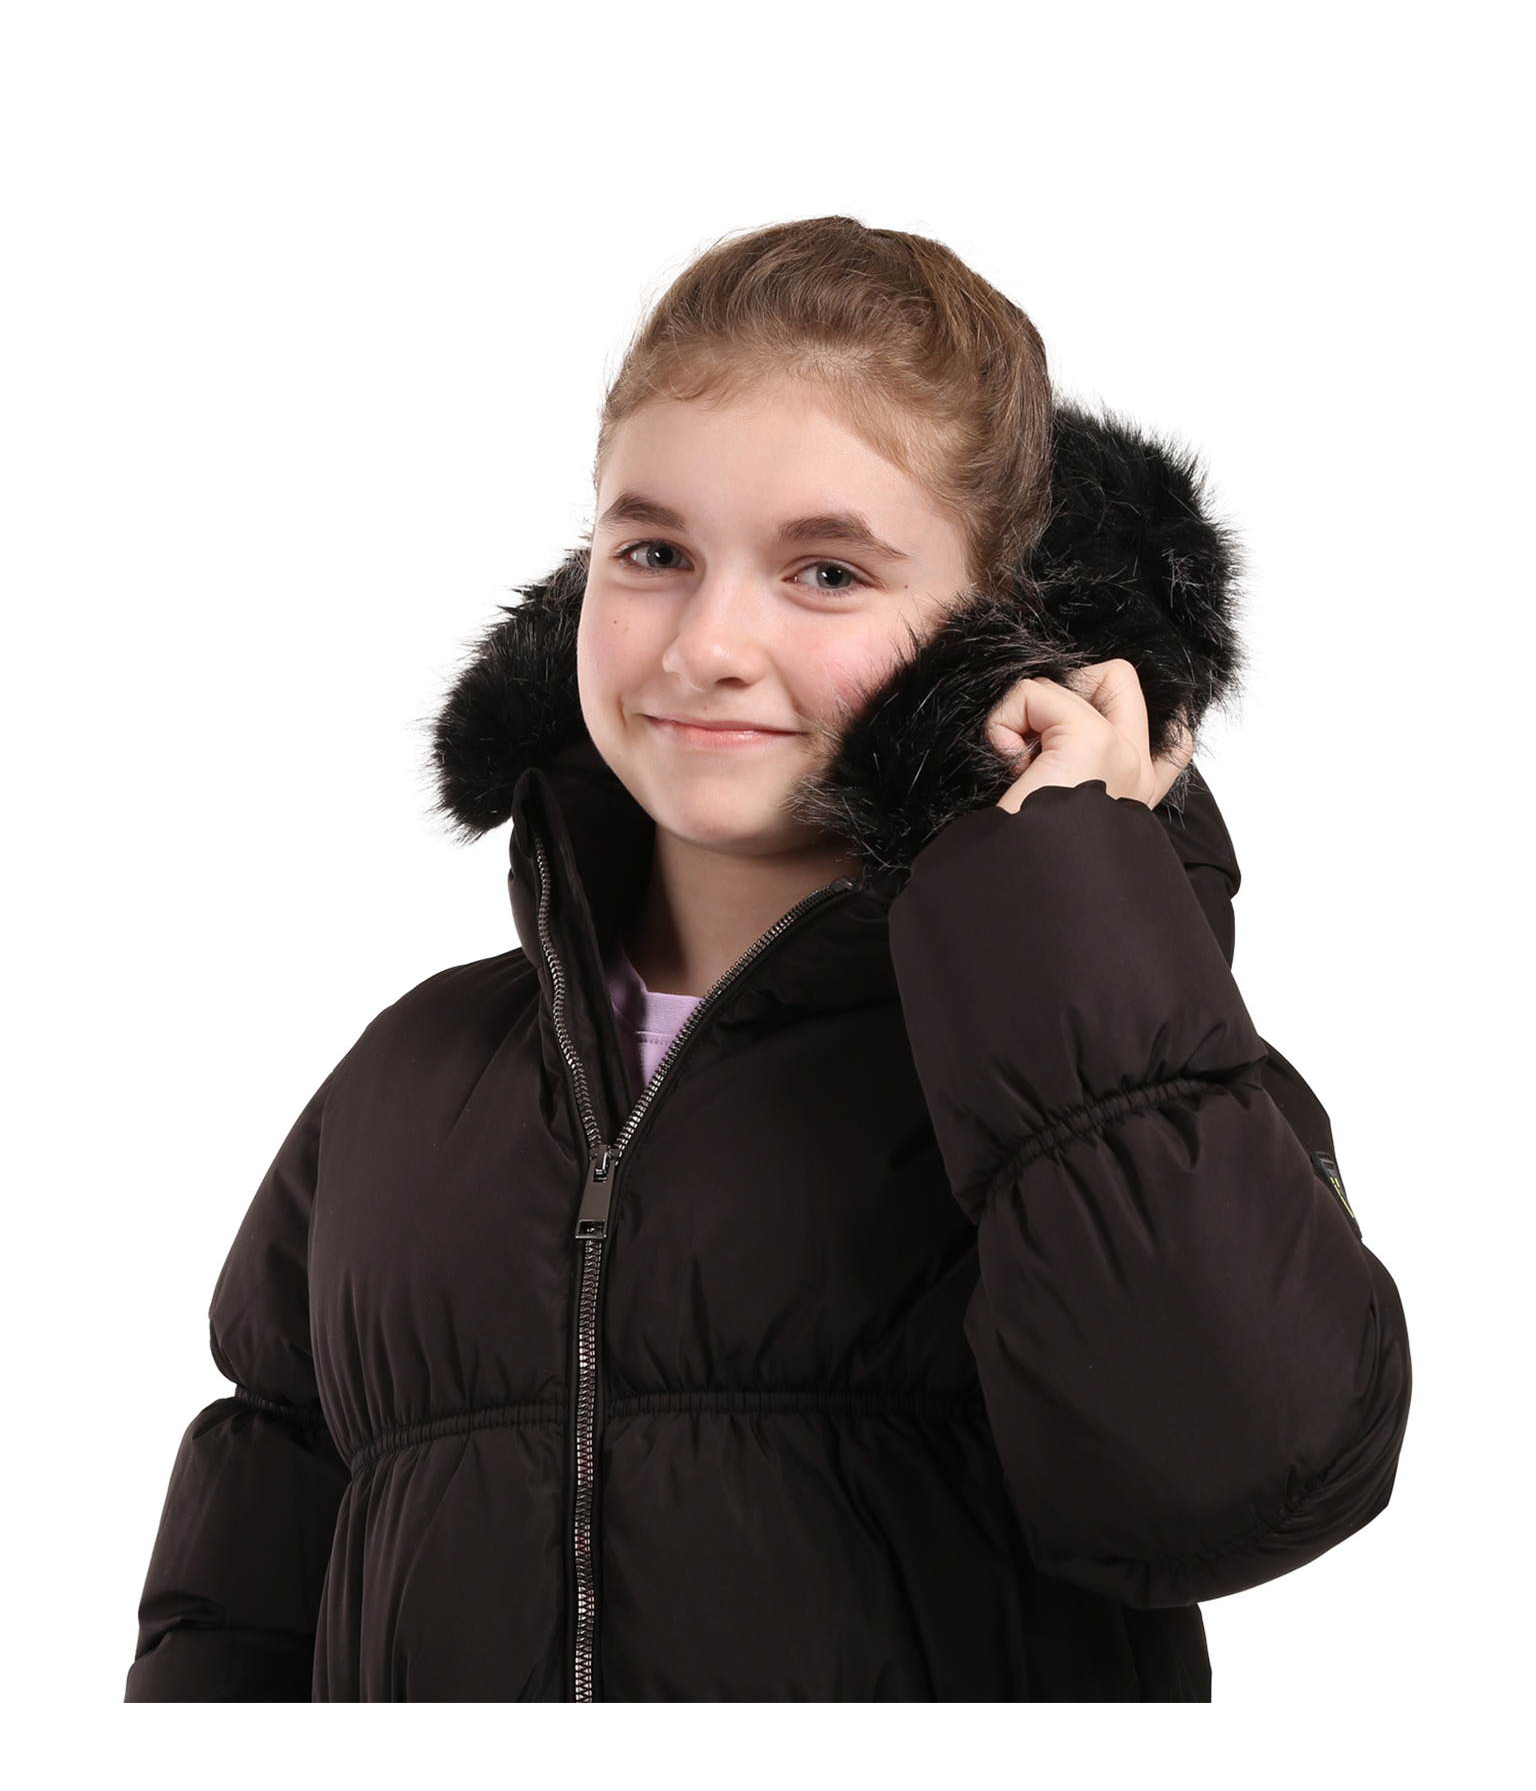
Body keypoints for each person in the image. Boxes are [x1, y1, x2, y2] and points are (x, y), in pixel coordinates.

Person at [125, 217, 1411, 1703]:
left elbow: (1232, 1480)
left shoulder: (1090, 1050)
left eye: (828, 572)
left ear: (994, 637)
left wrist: (1064, 890)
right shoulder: (403, 1083)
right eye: (653, 553)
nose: (706, 645)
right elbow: (232, 1623)